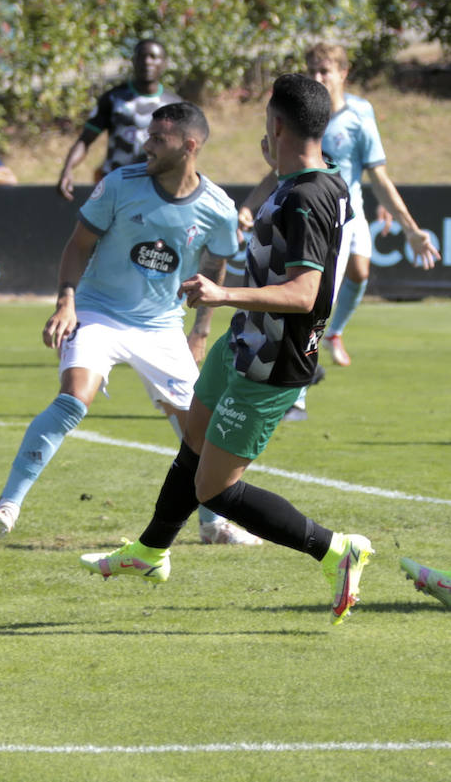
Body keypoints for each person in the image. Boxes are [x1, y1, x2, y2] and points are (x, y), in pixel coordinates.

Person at [80, 73, 373, 626]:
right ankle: (149, 553)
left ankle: (337, 549)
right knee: (192, 439)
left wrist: (221, 292)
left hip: (274, 361)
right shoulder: (322, 179)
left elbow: (306, 291)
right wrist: (278, 165)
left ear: (277, 123)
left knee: (214, 488)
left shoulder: (307, 198)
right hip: (245, 341)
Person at [0, 102, 259, 546]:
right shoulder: (118, 185)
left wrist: (200, 332)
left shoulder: (218, 208)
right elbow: (77, 246)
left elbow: (216, 266)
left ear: (189, 146)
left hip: (162, 327)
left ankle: (213, 525)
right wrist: (66, 301)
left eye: (157, 139)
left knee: (199, 429)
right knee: (74, 398)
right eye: (147, 136)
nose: (144, 145)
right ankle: (7, 505)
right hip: (98, 312)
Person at [237, 42, 439, 421]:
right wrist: (249, 205)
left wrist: (411, 229)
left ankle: (331, 337)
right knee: (312, 300)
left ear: (343, 73)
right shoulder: (300, 114)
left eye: (325, 70)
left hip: (348, 212)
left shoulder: (360, 114)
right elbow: (275, 167)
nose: (317, 77)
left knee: (354, 278)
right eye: (312, 69)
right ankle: (295, 392)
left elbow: (378, 174)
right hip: (309, 214)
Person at [57, 38, 182, 201]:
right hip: (116, 187)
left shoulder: (175, 105)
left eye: (153, 57)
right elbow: (85, 140)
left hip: (157, 190)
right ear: (133, 61)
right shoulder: (114, 98)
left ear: (164, 63)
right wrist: (67, 170)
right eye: (141, 56)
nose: (147, 61)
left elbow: (186, 151)